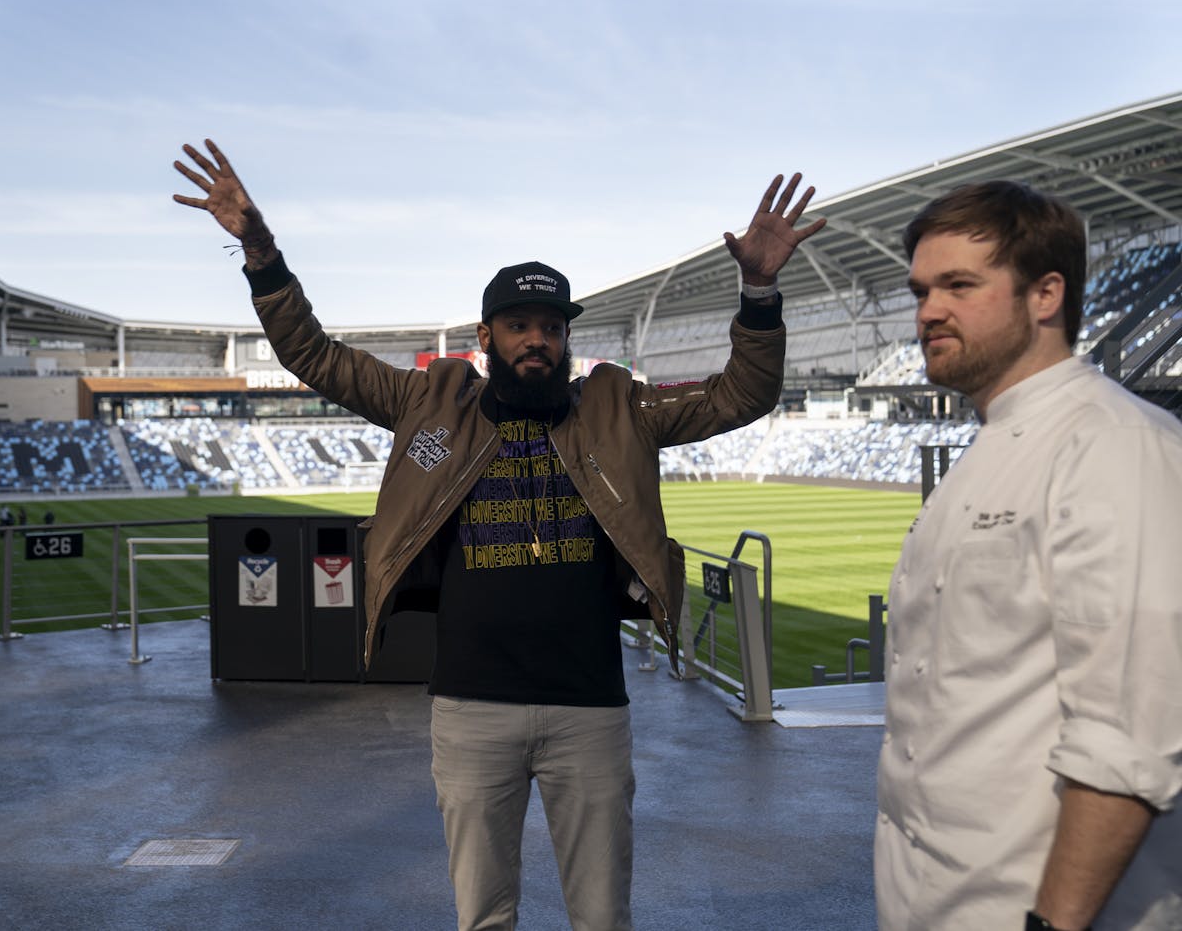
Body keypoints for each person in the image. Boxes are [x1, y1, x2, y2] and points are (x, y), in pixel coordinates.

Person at [174, 138, 825, 931]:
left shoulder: (618, 408)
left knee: (602, 918)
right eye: (518, 325)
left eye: (551, 325)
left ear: (567, 338)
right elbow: (313, 355)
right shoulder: (428, 405)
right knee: (483, 918)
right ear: (485, 337)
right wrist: (259, 248)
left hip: (589, 706)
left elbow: (740, 395)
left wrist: (759, 289)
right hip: (470, 708)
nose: (536, 340)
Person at [876, 180, 1182, 930]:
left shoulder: (1114, 444)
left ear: (1046, 294)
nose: (927, 312)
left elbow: (1130, 732)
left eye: (958, 285)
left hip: (1042, 908)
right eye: (920, 290)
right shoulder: (994, 444)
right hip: (936, 899)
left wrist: (1054, 922)